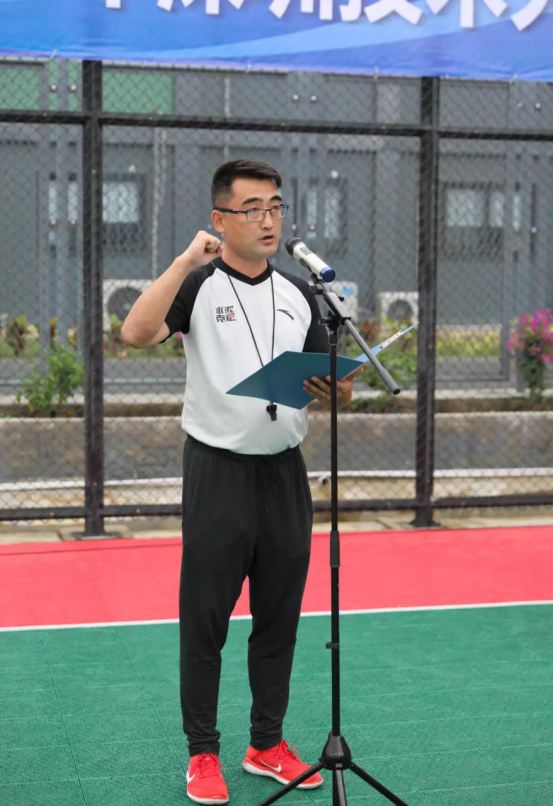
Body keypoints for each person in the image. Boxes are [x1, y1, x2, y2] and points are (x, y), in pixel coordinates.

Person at [122, 160, 360, 805]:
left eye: (275, 206)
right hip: (217, 473)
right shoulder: (198, 285)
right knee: (206, 622)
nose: (267, 220)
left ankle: (266, 744)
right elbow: (135, 333)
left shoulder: (300, 293)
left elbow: (332, 384)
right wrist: (182, 261)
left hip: (285, 473)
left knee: (278, 620)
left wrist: (335, 387)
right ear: (220, 220)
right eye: (252, 208)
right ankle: (202, 753)